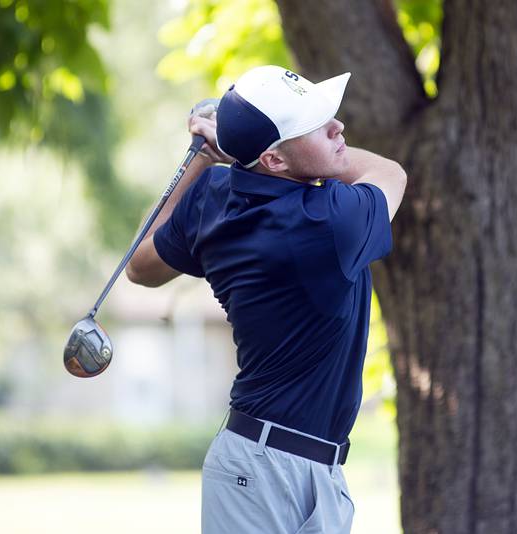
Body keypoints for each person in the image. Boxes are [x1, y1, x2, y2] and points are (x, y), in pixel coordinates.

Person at [126, 65, 407, 534]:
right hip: (263, 470)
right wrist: (231, 148)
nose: (338, 128)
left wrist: (203, 157)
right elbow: (389, 172)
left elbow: (139, 265)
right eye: (316, 127)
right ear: (275, 161)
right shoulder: (331, 222)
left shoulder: (214, 198)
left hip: (290, 464)